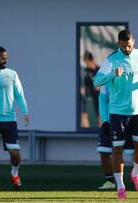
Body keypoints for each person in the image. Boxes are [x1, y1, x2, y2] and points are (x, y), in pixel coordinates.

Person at [93, 29, 138, 200]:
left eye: (129, 45)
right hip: (118, 114)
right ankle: (120, 187)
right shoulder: (111, 60)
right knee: (116, 150)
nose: (127, 49)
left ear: (133, 41)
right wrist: (112, 74)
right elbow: (96, 81)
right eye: (124, 46)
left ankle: (135, 173)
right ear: (118, 43)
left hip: (137, 112)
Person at [0, 45, 30, 191]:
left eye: (6, 58)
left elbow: (19, 95)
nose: (5, 61)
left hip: (9, 121)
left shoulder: (12, 74)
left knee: (15, 154)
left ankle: (14, 174)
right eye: (3, 58)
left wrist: (25, 112)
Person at [96, 84, 133, 190]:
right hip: (111, 120)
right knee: (104, 150)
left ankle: (135, 176)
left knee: (135, 151)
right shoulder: (108, 79)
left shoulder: (134, 75)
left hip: (132, 120)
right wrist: (104, 121)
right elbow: (102, 102)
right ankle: (110, 181)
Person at [81, 52, 100, 127]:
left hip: (103, 98)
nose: (87, 65)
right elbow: (85, 87)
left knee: (102, 117)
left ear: (90, 60)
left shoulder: (100, 70)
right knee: (98, 116)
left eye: (87, 62)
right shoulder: (86, 73)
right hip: (93, 98)